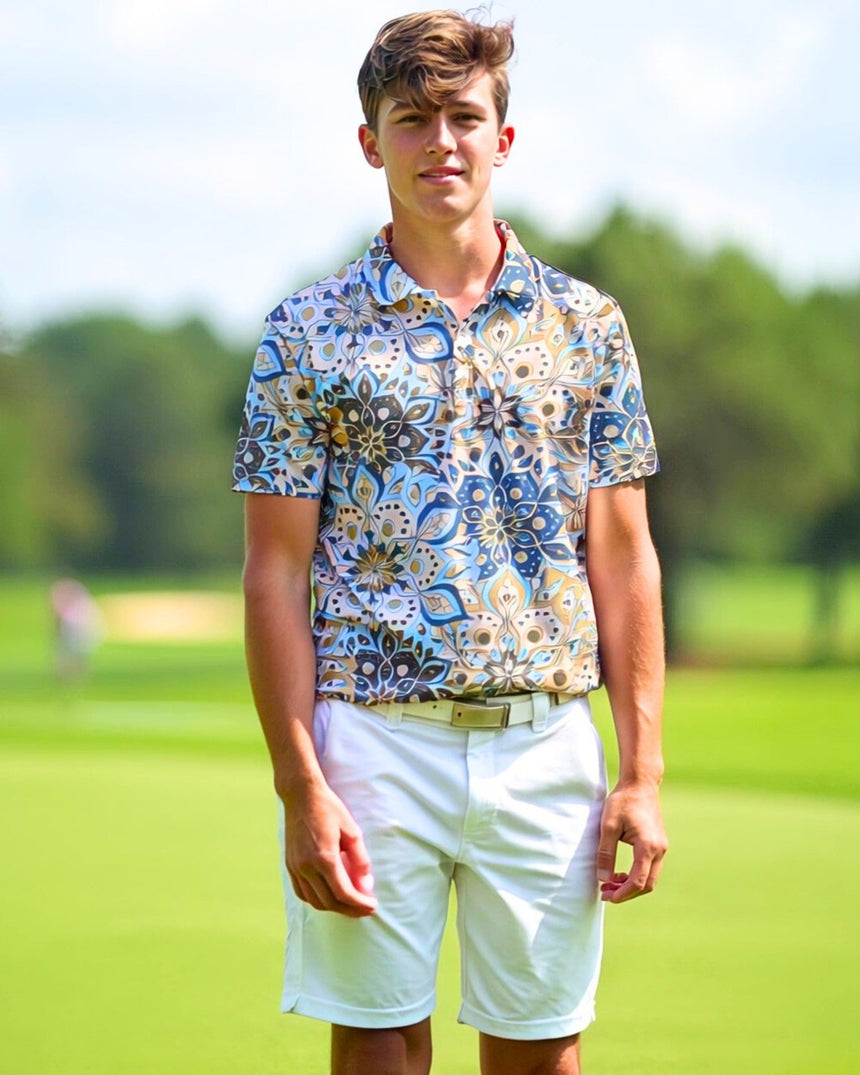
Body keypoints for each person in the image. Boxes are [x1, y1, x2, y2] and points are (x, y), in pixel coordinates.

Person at [232, 10, 667, 1074]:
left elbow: (620, 555)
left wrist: (641, 768)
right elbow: (273, 572)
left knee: (539, 1052)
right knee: (378, 1043)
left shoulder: (584, 325)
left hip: (545, 739)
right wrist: (299, 786)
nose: (441, 141)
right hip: (371, 742)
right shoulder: (305, 331)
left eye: (463, 117)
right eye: (411, 119)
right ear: (370, 142)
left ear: (501, 139)